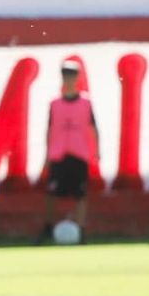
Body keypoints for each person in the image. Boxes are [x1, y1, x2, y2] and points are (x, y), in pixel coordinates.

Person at [36, 59, 98, 244]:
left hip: (79, 153)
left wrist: (96, 152)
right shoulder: (55, 103)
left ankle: (80, 230)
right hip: (58, 153)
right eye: (65, 74)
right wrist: (46, 155)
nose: (68, 78)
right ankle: (48, 227)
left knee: (80, 194)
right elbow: (49, 128)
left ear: (77, 77)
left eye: (71, 74)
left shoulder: (86, 102)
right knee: (51, 193)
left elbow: (93, 128)